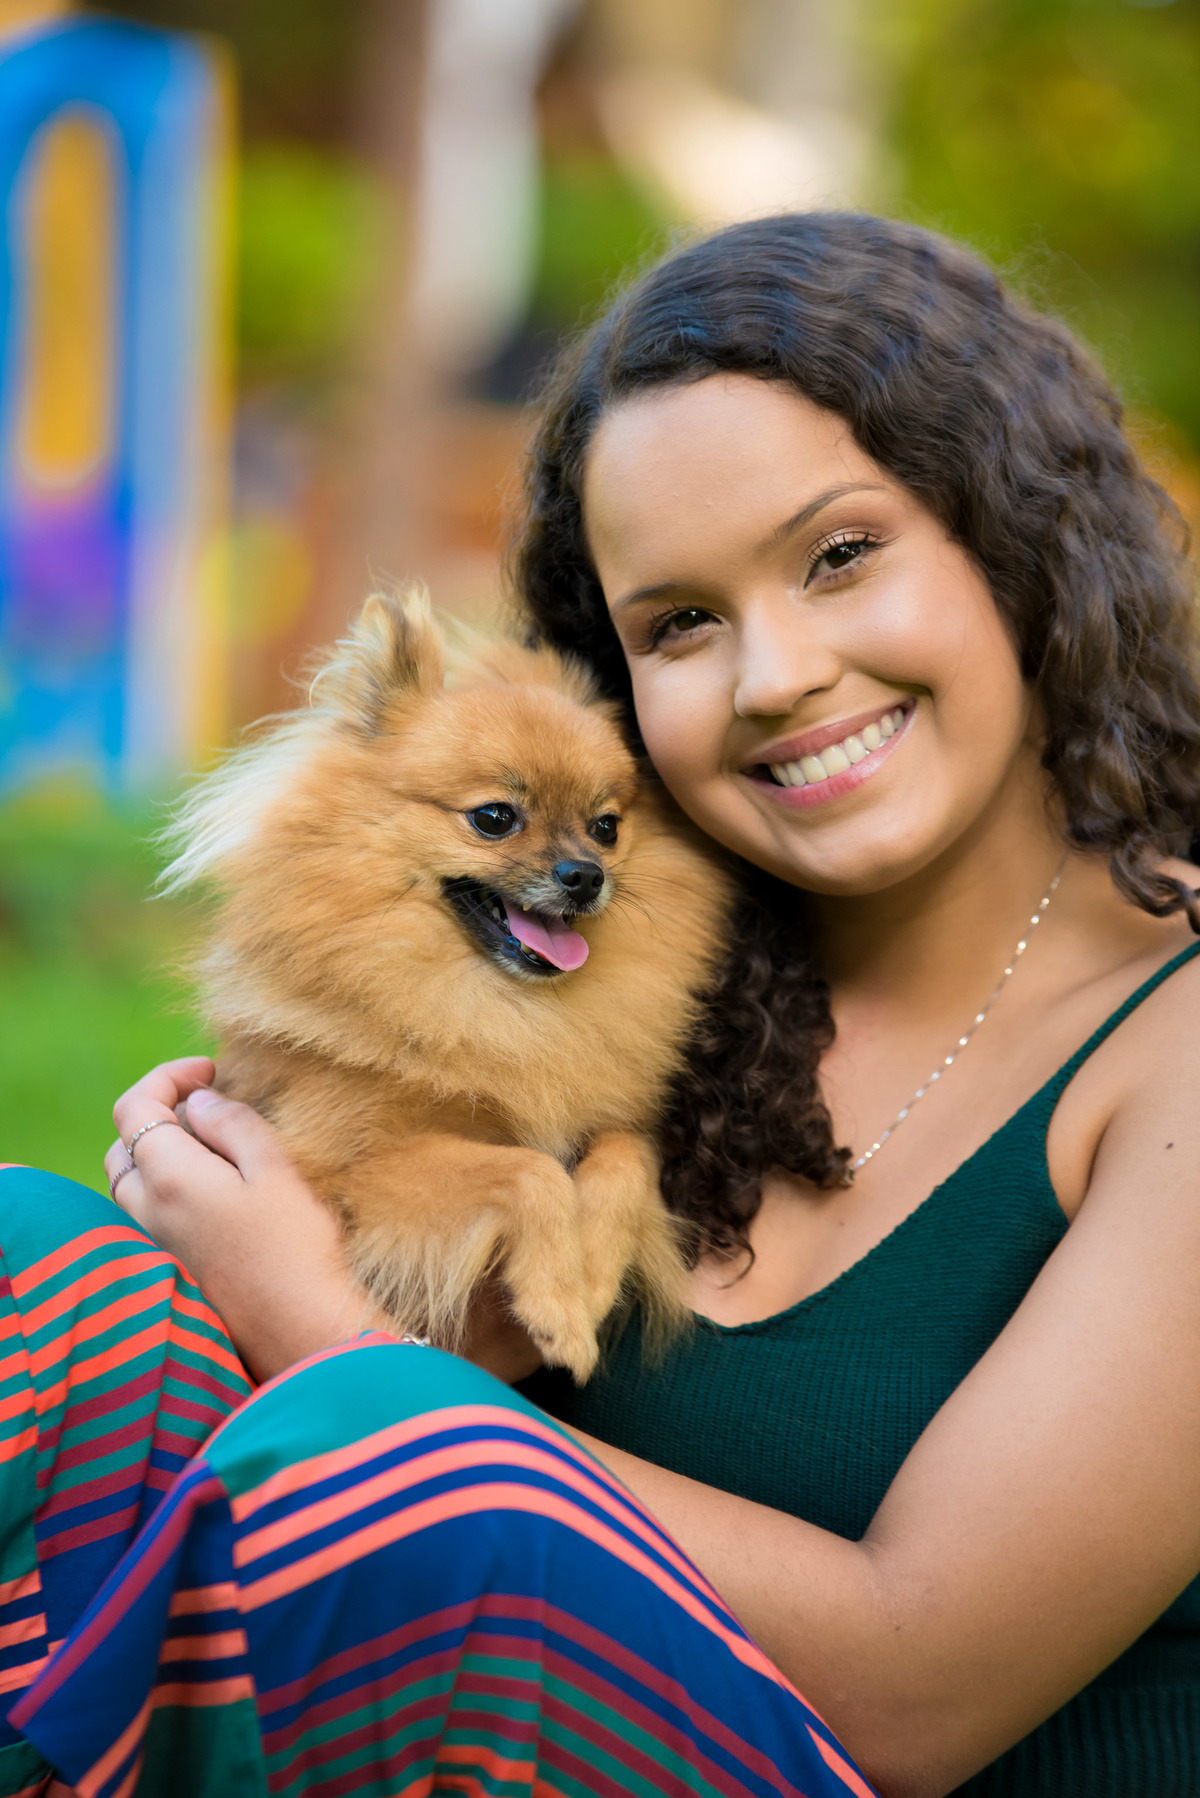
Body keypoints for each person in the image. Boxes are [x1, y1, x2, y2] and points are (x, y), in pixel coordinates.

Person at [4, 210, 1200, 1798]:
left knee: (403, 1484)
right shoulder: (642, 974)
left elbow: (920, 1687)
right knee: (39, 1265)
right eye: (679, 623)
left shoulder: (1171, 1040)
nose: (774, 673)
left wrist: (327, 1329)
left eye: (841, 554)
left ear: (1018, 533)